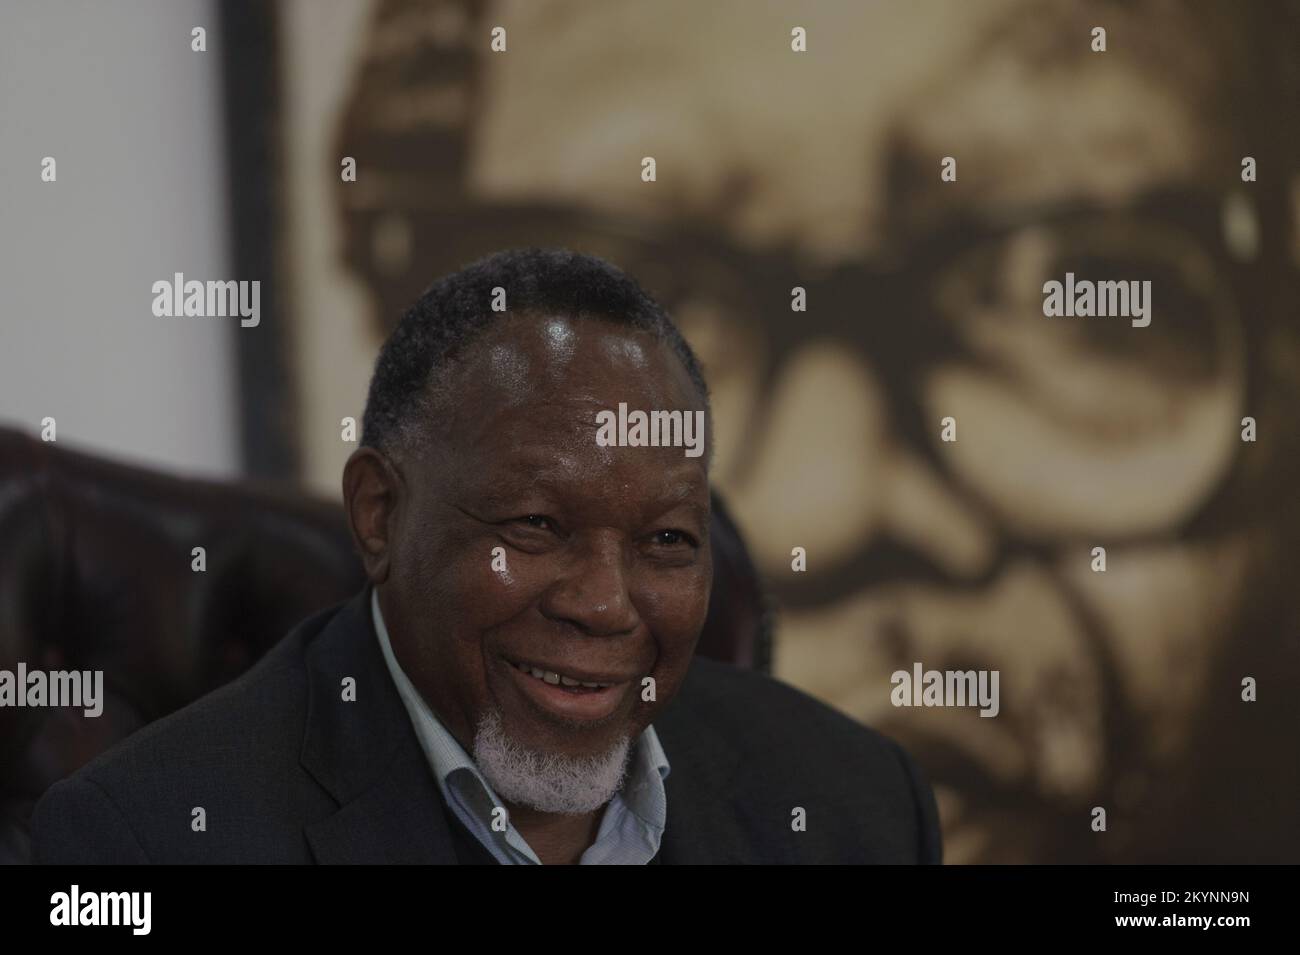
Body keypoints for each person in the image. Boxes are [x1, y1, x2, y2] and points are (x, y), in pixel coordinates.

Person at [31, 248, 941, 864]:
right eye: (535, 526)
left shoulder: (853, 807)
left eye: (666, 540)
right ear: (380, 515)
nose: (604, 603)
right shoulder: (143, 842)